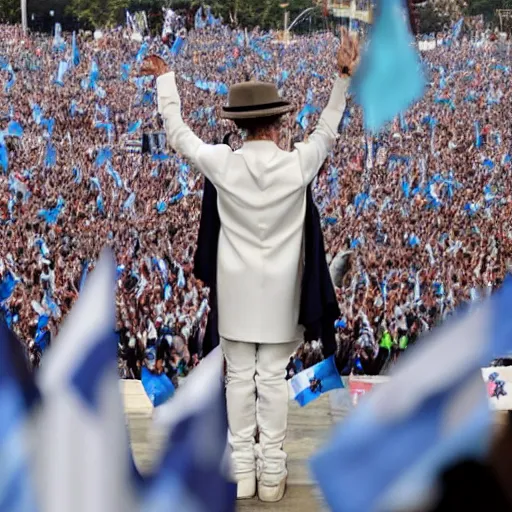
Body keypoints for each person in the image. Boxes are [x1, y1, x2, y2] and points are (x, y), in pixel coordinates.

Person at [141, 27, 359, 503]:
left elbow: (178, 136)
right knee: (273, 381)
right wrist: (342, 78)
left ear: (240, 125)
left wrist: (167, 80)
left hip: (236, 295)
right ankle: (273, 473)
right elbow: (327, 129)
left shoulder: (224, 163)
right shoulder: (297, 164)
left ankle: (241, 471)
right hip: (282, 295)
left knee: (239, 379)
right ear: (277, 124)